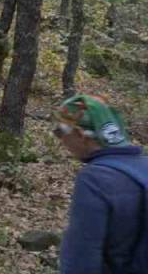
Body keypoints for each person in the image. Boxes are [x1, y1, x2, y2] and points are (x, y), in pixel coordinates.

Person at [54, 94, 148, 274]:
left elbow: (81, 258)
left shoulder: (94, 179)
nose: (61, 142)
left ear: (81, 135)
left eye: (60, 132)